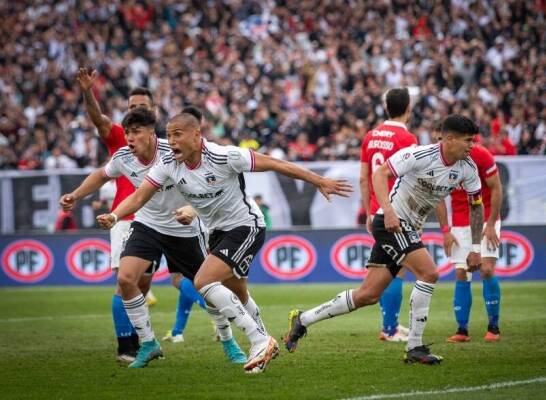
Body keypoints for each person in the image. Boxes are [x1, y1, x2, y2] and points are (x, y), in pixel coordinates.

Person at [97, 112, 352, 373]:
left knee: (204, 281)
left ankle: (259, 340)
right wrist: (116, 215)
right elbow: (140, 196)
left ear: (196, 136)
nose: (170, 141)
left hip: (246, 226)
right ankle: (263, 342)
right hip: (216, 232)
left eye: (177, 135)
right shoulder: (168, 164)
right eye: (169, 135)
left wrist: (319, 180)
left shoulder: (224, 155)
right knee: (238, 293)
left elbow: (276, 164)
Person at [284, 114, 484, 365]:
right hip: (392, 223)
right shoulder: (418, 155)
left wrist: (476, 247)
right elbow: (379, 174)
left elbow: (476, 205)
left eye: (473, 141)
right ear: (450, 139)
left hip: (409, 226)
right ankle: (415, 347)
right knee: (429, 273)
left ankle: (303, 320)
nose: (472, 146)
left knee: (368, 295)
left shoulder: (467, 168)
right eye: (468, 140)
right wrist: (388, 212)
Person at [61, 108, 247, 368]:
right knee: (126, 279)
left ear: (151, 133)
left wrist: (194, 210)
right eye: (127, 132)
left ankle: (228, 341)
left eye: (136, 132)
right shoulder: (123, 157)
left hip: (184, 230)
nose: (130, 138)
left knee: (206, 289)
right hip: (147, 225)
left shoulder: (173, 151)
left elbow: (206, 181)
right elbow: (102, 175)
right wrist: (76, 195)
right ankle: (148, 344)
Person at [77, 68, 189, 359]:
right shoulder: (121, 139)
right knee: (125, 281)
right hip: (126, 218)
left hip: (163, 220)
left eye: (141, 108)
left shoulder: (168, 147)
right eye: (130, 108)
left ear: (152, 114)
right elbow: (98, 120)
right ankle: (125, 346)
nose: (134, 113)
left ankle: (143, 343)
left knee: (145, 284)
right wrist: (89, 91)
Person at [359, 88, 417, 343]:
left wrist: (368, 212)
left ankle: (391, 324)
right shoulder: (408, 139)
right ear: (408, 108)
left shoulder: (370, 136)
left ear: (386, 108)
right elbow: (413, 179)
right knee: (398, 267)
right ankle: (389, 329)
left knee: (388, 266)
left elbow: (364, 177)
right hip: (396, 210)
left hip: (376, 208)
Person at [435, 140, 504, 343]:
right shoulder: (438, 159)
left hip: (486, 218)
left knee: (487, 269)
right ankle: (462, 330)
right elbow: (438, 197)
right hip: (460, 222)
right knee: (461, 272)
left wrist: (491, 223)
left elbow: (497, 189)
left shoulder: (481, 155)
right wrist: (446, 230)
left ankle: (493, 327)